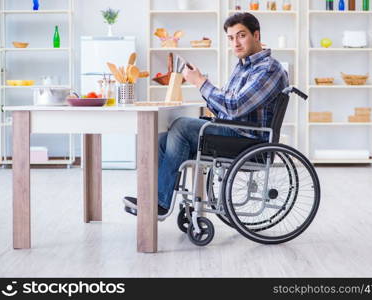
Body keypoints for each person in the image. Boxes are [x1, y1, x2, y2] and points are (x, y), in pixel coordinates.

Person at [123, 12, 289, 216]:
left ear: (256, 35)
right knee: (163, 140)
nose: (235, 43)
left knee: (182, 126)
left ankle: (160, 203)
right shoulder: (243, 66)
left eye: (241, 35)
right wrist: (202, 82)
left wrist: (200, 82)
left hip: (248, 140)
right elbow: (225, 107)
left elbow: (234, 107)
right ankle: (154, 198)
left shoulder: (269, 69)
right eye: (230, 38)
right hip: (234, 132)